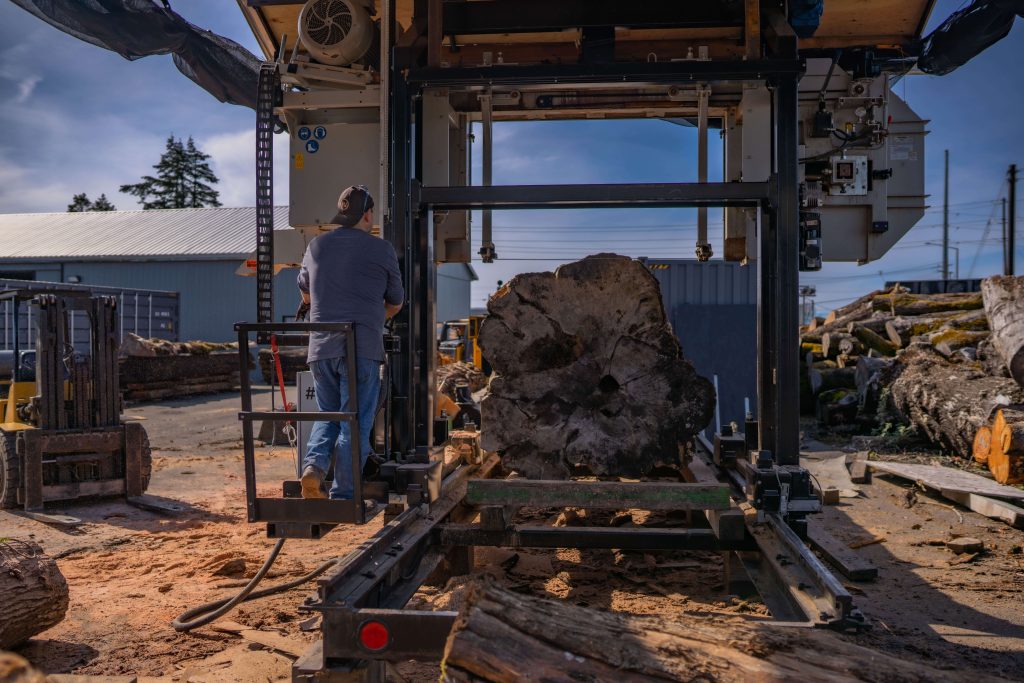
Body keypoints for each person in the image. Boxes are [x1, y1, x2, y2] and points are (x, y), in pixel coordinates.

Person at [297, 185, 404, 499]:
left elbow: (305, 294)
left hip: (321, 348)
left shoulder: (315, 246)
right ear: (368, 214)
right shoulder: (381, 249)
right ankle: (343, 494)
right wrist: (373, 320)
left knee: (328, 413)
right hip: (361, 348)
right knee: (354, 421)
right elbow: (396, 302)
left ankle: (313, 467)